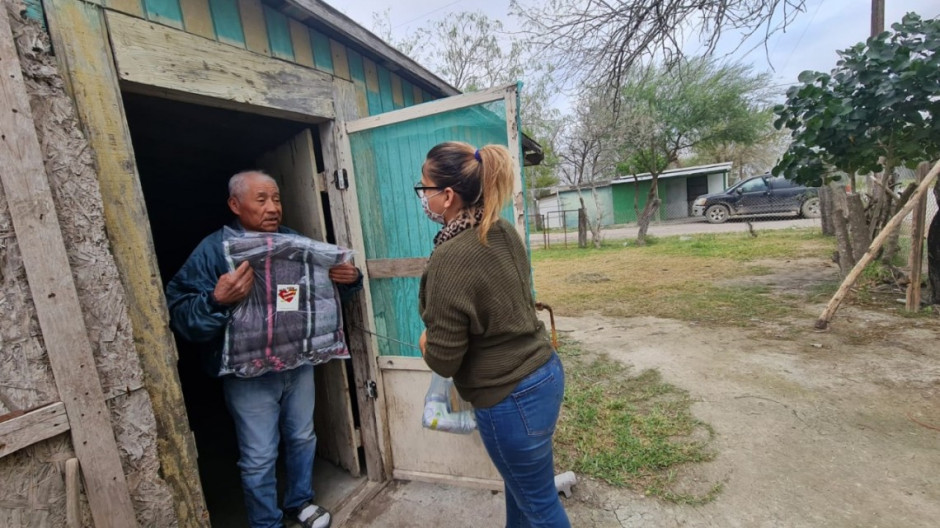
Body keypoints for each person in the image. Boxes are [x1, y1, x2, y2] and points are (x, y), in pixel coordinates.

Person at [166, 170, 360, 528]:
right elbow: (178, 315)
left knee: (302, 437)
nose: (272, 208)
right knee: (258, 456)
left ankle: (300, 502)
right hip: (247, 376)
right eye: (261, 200)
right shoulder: (214, 251)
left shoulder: (295, 243)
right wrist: (216, 300)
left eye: (277, 199)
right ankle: (266, 522)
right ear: (234, 205)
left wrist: (348, 281)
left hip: (297, 364)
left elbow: (320, 297)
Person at [416, 142, 570, 527]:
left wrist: (426, 344)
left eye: (424, 188)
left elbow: (445, 359)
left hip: (509, 396)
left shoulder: (450, 256)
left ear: (447, 196)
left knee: (540, 506)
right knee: (524, 491)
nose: (422, 197)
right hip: (544, 375)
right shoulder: (501, 230)